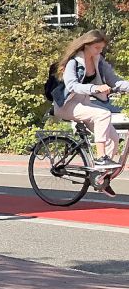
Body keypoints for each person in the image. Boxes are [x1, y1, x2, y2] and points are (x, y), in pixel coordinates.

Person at [52, 29, 128, 196]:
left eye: (101, 48)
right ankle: (101, 159)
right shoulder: (73, 62)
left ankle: (100, 177)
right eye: (97, 48)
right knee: (103, 114)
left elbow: (114, 81)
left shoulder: (98, 61)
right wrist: (95, 87)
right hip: (67, 104)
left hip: (84, 103)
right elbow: (71, 85)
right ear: (86, 45)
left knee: (113, 138)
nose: (99, 51)